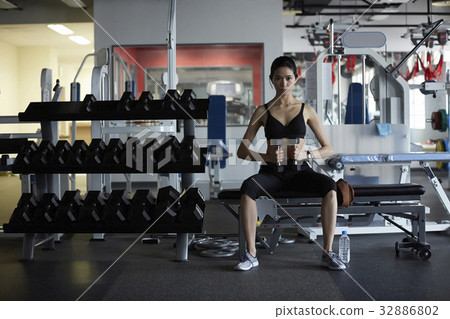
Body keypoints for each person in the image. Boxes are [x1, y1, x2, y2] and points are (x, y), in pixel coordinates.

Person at [235, 56, 346, 271]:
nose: (283, 84)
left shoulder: (306, 110)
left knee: (330, 187)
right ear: (271, 79)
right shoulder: (262, 111)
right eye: (278, 79)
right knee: (248, 188)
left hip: (300, 173)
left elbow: (328, 148)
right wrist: (265, 157)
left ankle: (328, 252)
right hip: (271, 174)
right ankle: (251, 254)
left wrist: (307, 154)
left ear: (296, 79)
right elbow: (242, 150)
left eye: (288, 78)